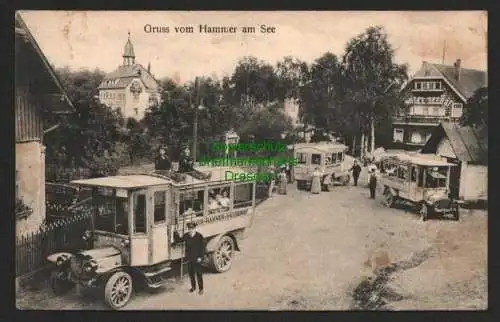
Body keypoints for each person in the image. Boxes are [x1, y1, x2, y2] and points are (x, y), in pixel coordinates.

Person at [173, 222, 205, 295]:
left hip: (197, 259)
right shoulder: (186, 235)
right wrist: (175, 233)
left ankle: (201, 289)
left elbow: (202, 248)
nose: (190, 230)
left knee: (199, 274)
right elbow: (179, 240)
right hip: (189, 258)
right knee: (191, 274)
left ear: (195, 228)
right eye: (189, 229)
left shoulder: (199, 236)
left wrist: (201, 257)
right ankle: (193, 287)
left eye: (192, 229)